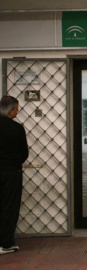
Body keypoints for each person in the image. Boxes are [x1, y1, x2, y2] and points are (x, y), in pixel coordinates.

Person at [0, 95, 29, 255]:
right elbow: (24, 153)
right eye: (16, 110)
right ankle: (5, 243)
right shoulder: (16, 128)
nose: (17, 113)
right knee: (9, 207)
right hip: (11, 172)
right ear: (10, 111)